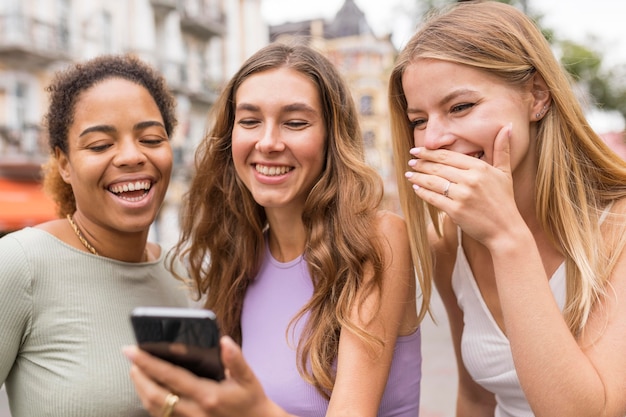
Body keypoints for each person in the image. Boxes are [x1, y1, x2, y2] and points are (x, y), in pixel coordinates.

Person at [124, 42, 430, 417]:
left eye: (295, 122)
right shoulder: (240, 257)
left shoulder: (378, 239)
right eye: (250, 121)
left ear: (331, 138)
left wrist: (250, 409)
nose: (267, 142)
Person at [389, 1, 626, 417]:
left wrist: (506, 238)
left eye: (460, 107)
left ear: (536, 96)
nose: (433, 139)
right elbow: (476, 398)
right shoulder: (449, 239)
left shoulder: (618, 226)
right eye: (419, 119)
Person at [0, 54, 190, 417]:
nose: (132, 156)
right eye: (101, 145)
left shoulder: (190, 276)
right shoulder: (19, 264)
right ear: (65, 164)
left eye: (150, 138)